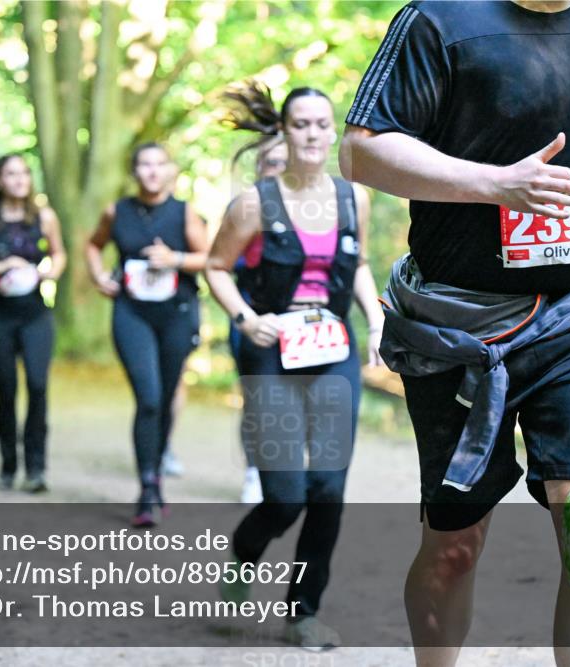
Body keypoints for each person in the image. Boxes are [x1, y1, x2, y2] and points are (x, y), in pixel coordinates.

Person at [339, 2, 570, 665]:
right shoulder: (437, 19)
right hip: (458, 324)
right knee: (455, 548)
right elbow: (361, 150)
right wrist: (495, 184)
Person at [206, 81, 385, 650]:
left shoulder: (353, 198)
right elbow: (215, 267)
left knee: (328, 488)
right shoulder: (254, 203)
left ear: (334, 133)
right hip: (271, 353)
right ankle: (243, 555)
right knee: (285, 495)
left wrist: (375, 317)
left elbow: (358, 262)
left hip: (333, 351)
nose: (311, 134)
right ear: (284, 133)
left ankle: (302, 613)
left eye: (321, 124)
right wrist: (245, 318)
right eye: (300, 124)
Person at [86, 143, 208, 527]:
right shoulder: (117, 211)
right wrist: (98, 276)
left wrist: (175, 259)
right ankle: (147, 487)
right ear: (134, 171)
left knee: (167, 398)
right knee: (149, 398)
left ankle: (155, 473)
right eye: (144, 164)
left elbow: (211, 259)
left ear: (170, 170)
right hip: (132, 314)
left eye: (159, 164)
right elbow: (93, 245)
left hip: (176, 315)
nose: (153, 171)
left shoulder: (184, 213)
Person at [0, 154, 67, 493]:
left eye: (24, 173)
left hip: (35, 314)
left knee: (37, 386)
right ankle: (8, 465)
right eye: (11, 173)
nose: (20, 179)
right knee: (7, 392)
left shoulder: (44, 217)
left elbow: (59, 254)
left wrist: (49, 272)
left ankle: (36, 469)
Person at [226, 131, 289, 503]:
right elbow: (222, 264)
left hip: (299, 323)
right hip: (251, 314)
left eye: (286, 162)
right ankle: (254, 470)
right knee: (256, 399)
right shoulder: (244, 207)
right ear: (259, 167)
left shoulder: (317, 207)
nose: (279, 169)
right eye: (272, 163)